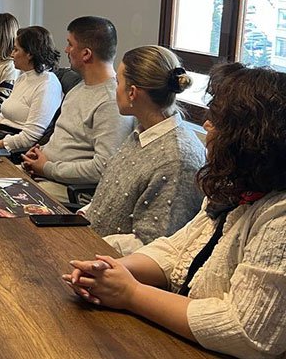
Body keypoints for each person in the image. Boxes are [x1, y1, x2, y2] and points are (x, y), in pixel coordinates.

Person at [62, 63, 286, 358]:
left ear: (252, 137)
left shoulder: (279, 217)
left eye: (217, 119)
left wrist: (131, 294)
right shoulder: (236, 189)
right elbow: (178, 251)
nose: (206, 125)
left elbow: (246, 331)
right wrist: (113, 271)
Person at [84, 46, 205, 255]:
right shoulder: (143, 133)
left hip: (113, 268)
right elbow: (106, 202)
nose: (115, 88)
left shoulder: (176, 159)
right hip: (92, 246)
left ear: (132, 93)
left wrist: (86, 242)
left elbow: (152, 244)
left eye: (118, 82)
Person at [22, 16, 132, 202]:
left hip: (68, 189)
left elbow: (104, 168)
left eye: (70, 44)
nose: (66, 50)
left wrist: (47, 167)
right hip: (45, 175)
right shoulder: (79, 88)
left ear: (86, 54)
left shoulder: (111, 102)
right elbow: (66, 139)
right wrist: (41, 152)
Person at [0, 26, 63, 153]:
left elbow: (31, 136)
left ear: (30, 54)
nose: (12, 54)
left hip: (14, 149)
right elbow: (5, 113)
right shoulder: (23, 77)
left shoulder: (47, 85)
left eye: (16, 50)